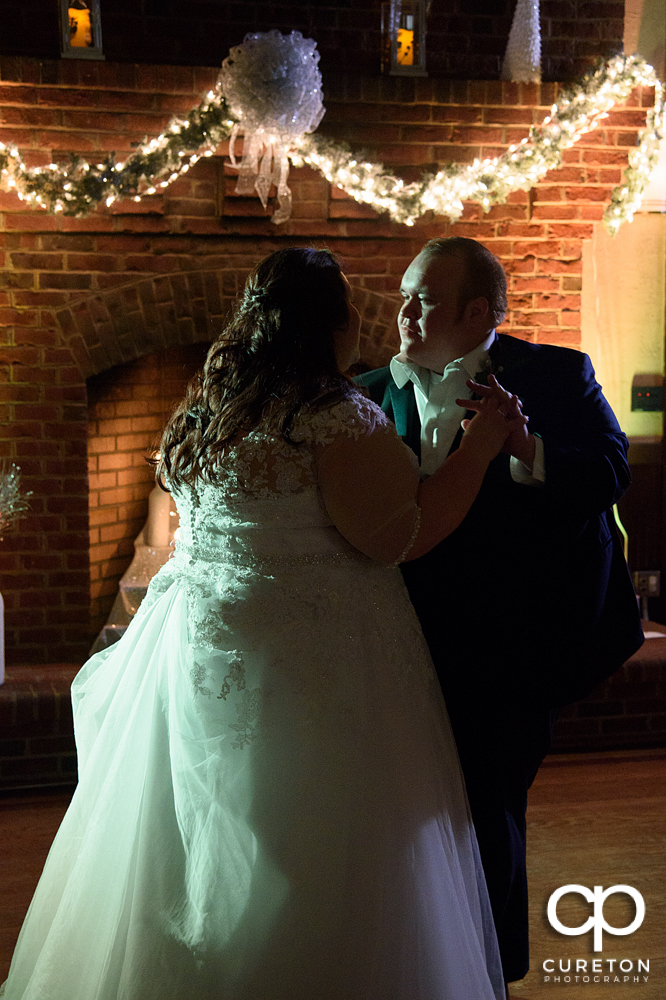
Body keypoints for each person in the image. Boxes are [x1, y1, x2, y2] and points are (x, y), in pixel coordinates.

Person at [1, 247, 527, 1000]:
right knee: (310, 844)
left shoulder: (208, 408)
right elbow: (397, 537)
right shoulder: (334, 416)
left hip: (198, 649)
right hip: (311, 662)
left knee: (200, 830)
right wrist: (477, 450)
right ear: (326, 327)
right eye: (349, 312)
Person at [355, 236, 644, 987]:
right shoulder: (362, 392)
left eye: (424, 299)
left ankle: (491, 973)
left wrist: (525, 444)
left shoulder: (555, 374)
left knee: (488, 808)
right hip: (403, 644)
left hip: (514, 648)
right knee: (411, 810)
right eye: (405, 296)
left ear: (478, 311)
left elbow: (611, 468)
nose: (405, 313)